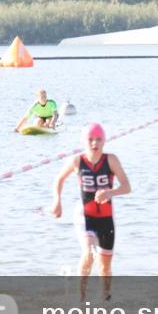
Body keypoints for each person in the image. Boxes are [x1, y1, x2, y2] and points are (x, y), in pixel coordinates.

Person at [51, 123, 131, 302]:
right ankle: (81, 299)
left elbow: (127, 187)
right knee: (88, 252)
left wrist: (110, 192)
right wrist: (57, 201)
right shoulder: (77, 161)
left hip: (106, 217)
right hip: (84, 216)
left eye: (98, 139)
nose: (94, 143)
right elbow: (59, 179)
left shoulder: (111, 160)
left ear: (104, 141)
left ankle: (105, 300)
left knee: (104, 266)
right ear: (84, 142)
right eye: (90, 139)